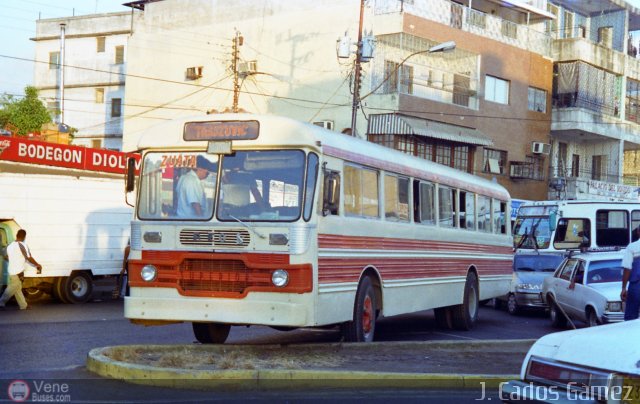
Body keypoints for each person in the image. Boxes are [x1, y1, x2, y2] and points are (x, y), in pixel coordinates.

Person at [0, 229, 42, 310]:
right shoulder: (22, 245)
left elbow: (6, 257)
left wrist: (13, 260)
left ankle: (23, 305)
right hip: (17, 271)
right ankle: (1, 302)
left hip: (11, 270)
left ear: (16, 235)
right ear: (24, 237)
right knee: (12, 288)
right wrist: (37, 265)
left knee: (17, 288)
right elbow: (29, 257)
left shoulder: (10, 245)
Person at [621, 225, 640, 320]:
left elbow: (627, 269)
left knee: (631, 318)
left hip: (636, 286)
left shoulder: (632, 247)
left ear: (638, 232)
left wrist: (624, 288)